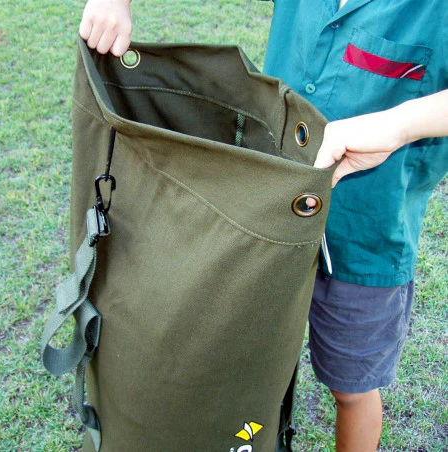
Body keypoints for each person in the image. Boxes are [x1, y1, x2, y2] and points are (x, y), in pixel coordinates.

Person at [79, 1, 448, 450]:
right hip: (258, 224)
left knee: (351, 387)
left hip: (363, 240)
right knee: (232, 369)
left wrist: (399, 125)